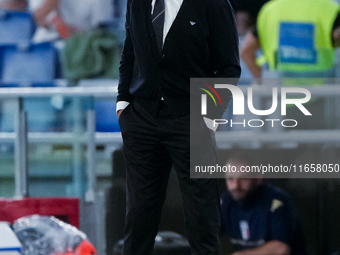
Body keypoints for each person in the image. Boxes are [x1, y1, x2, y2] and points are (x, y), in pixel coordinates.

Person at [116, 0, 241, 254]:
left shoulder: (214, 5)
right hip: (141, 118)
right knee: (139, 214)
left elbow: (228, 67)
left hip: (192, 118)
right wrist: (123, 102)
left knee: (201, 213)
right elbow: (129, 50)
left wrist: (209, 117)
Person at [220, 154, 308, 255]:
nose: (236, 185)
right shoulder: (226, 202)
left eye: (243, 178)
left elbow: (281, 248)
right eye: (230, 179)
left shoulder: (276, 201)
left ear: (258, 178)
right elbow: (205, 233)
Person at [240, 0, 340, 78]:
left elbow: (246, 52)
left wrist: (264, 81)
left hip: (280, 94)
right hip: (323, 94)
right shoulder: (330, 9)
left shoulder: (269, 10)